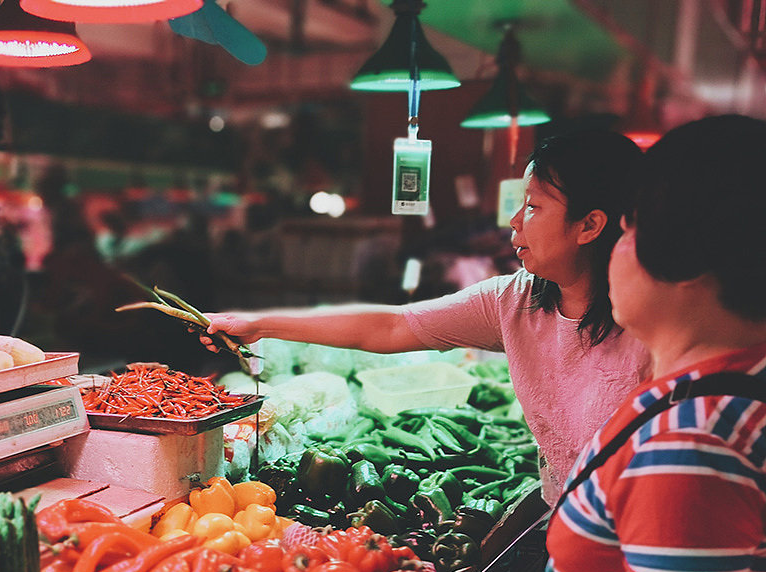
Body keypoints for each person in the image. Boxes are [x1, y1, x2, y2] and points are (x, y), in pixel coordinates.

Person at [487, 114, 766, 572]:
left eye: (633, 230)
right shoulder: (724, 394)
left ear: (691, 266)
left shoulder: (691, 442)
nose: (617, 248)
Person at [203, 130, 652, 504]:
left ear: (589, 226)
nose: (514, 221)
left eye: (533, 207)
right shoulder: (513, 302)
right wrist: (259, 325)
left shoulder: (656, 328)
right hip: (565, 522)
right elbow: (392, 325)